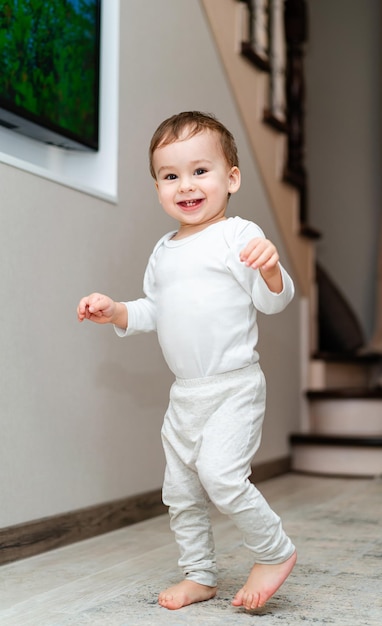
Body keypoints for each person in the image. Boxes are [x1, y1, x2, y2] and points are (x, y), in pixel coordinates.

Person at [77, 111, 297, 612]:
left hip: (234, 386)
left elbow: (273, 303)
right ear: (157, 186)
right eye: (170, 176)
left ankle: (274, 550)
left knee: (221, 475)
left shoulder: (240, 236)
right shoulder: (164, 250)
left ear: (231, 178)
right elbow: (155, 310)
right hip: (186, 396)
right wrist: (115, 311)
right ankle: (200, 575)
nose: (186, 185)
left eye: (200, 171)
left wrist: (271, 270)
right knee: (179, 491)